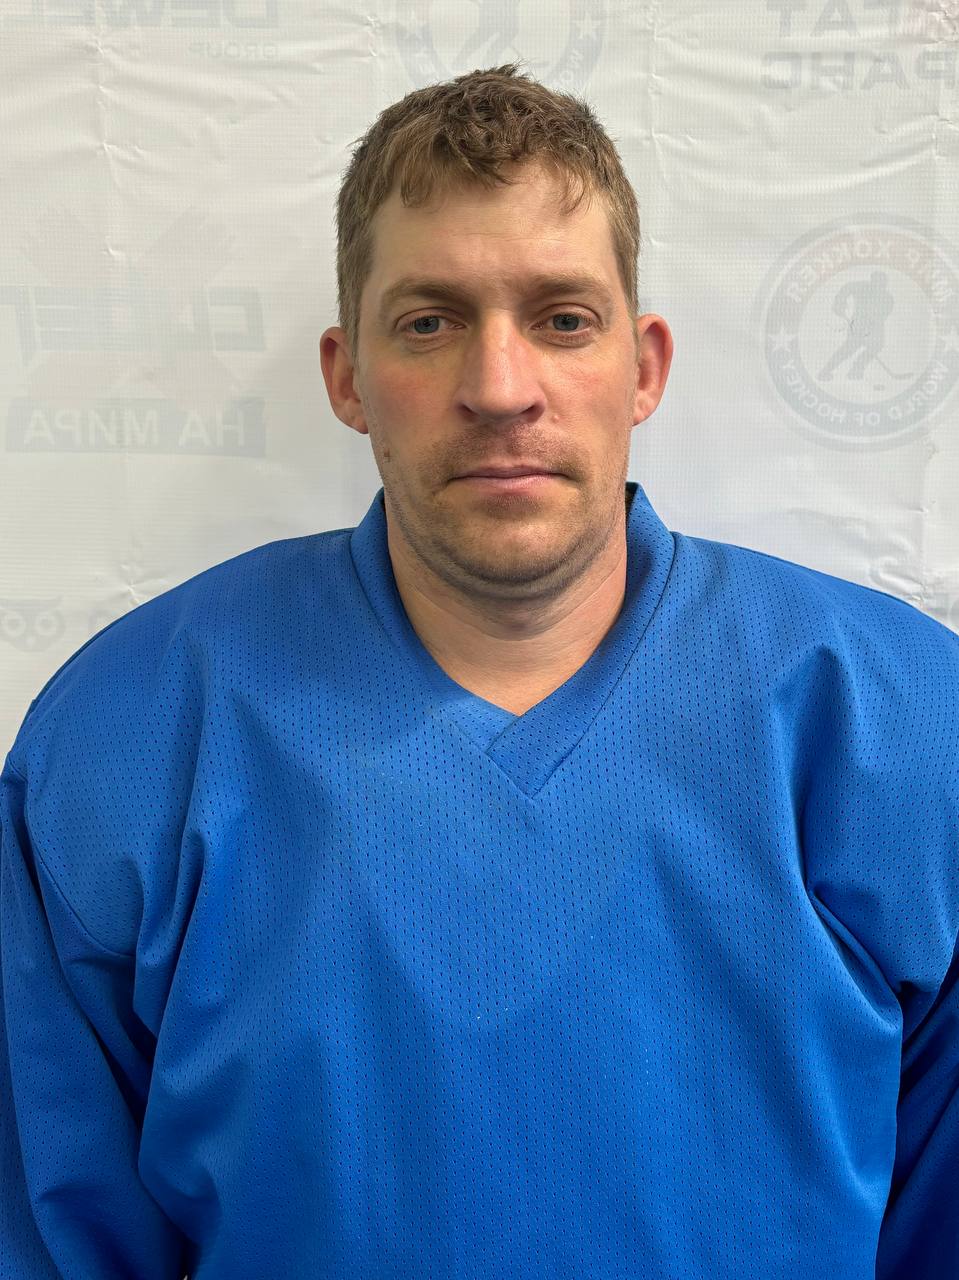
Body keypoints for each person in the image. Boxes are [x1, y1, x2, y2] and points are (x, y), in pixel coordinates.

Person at [1, 62, 956, 1280]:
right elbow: (49, 1234)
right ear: (346, 375)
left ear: (642, 367)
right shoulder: (128, 739)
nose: (499, 390)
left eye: (561, 318)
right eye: (429, 321)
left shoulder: (900, 725)